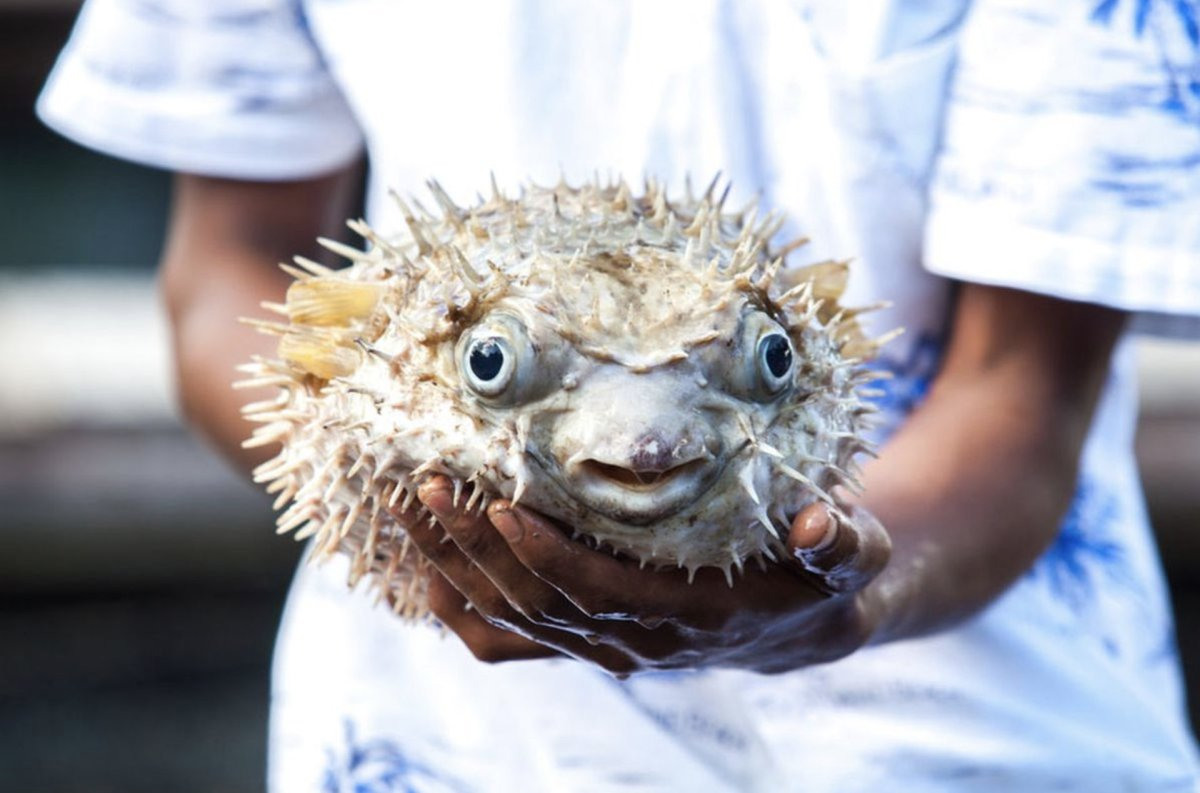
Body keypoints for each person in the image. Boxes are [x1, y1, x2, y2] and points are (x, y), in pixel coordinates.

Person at [40, 1, 1200, 789]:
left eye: (760, 365)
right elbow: (225, 271)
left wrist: (849, 594)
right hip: (432, 748)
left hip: (977, 746)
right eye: (495, 367)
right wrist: (393, 501)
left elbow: (1028, 388)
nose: (643, 443)